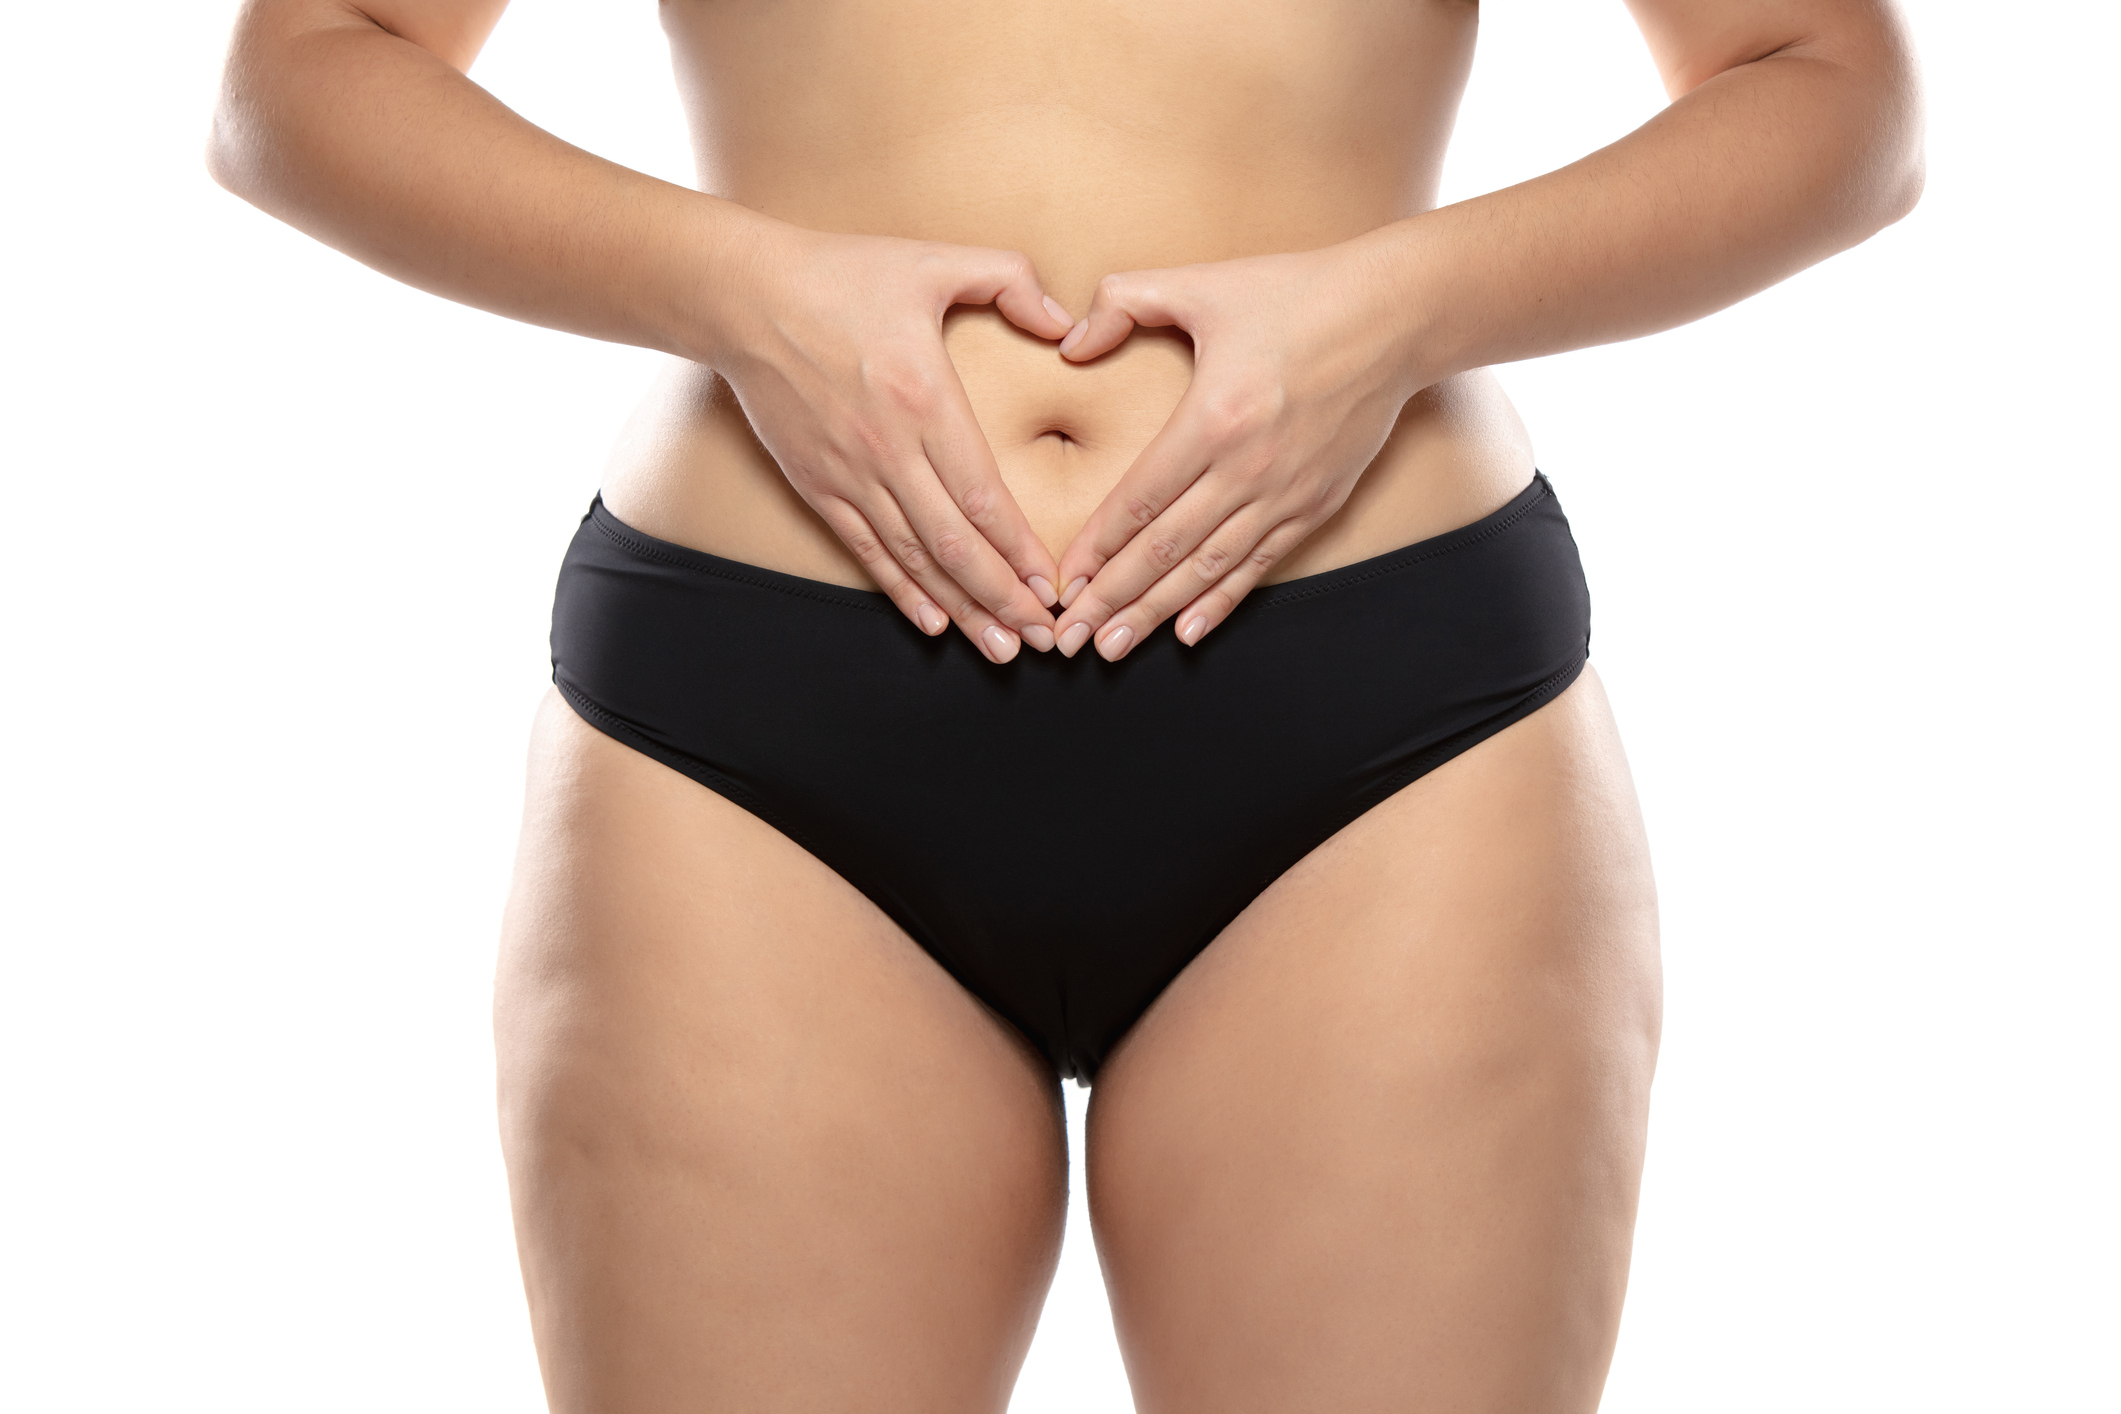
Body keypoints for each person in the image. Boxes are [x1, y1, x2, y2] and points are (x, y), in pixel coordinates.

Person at [207, 0, 1922, 1407]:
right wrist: (730, 291)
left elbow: (1834, 89)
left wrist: (1396, 313)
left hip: (1378, 734)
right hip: (759, 738)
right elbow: (299, 71)